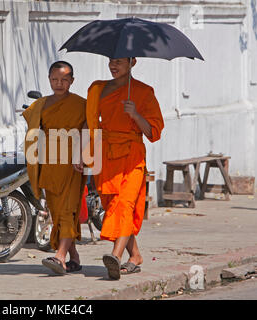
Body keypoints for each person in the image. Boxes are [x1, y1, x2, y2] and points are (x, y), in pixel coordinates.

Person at [77, 57, 164, 280]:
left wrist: (135, 114)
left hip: (132, 156)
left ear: (132, 62)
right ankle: (135, 256)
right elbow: (89, 122)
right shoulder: (98, 88)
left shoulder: (144, 92)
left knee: (124, 204)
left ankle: (114, 256)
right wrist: (82, 152)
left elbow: (153, 132)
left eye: (119, 62)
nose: (113, 66)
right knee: (113, 206)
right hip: (105, 155)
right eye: (110, 61)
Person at [22, 61, 87, 275]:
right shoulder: (41, 104)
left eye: (64, 80)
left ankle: (60, 256)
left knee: (68, 210)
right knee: (57, 212)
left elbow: (89, 128)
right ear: (49, 79)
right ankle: (74, 257)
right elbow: (32, 125)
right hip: (50, 161)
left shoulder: (82, 104)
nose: (59, 84)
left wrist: (82, 153)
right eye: (55, 79)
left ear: (72, 81)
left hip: (72, 163)